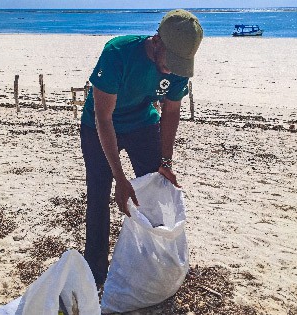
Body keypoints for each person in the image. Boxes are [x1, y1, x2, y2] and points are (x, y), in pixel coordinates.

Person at [80, 9, 203, 286]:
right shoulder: (119, 52)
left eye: (179, 64)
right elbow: (103, 117)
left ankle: (156, 262)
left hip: (142, 123)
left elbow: (171, 112)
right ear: (157, 40)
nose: (172, 69)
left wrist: (166, 161)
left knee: (155, 191)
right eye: (169, 62)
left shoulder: (180, 65)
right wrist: (120, 179)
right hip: (98, 125)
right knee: (99, 196)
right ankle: (95, 271)